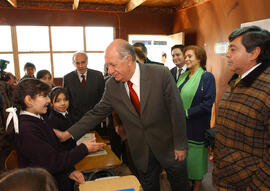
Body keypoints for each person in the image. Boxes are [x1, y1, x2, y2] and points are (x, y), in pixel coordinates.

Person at [54, 39, 189, 191]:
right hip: (140, 150)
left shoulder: (160, 74)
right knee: (148, 186)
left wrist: (180, 145)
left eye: (113, 65)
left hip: (170, 147)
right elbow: (96, 113)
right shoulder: (112, 85)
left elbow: (176, 111)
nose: (109, 71)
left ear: (129, 60)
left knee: (180, 185)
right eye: (107, 66)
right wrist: (67, 134)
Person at [6, 79, 105, 191]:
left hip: (55, 176)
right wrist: (84, 148)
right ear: (29, 100)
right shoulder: (27, 129)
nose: (49, 100)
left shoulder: (38, 119)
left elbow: (53, 151)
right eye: (44, 96)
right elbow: (52, 162)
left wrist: (69, 171)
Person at [213, 26, 270, 190]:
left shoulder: (266, 86)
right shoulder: (238, 79)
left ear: (254, 53)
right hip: (227, 177)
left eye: (233, 49)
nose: (227, 54)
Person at [177, 45, 216, 191]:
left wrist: (186, 113)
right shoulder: (183, 76)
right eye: (185, 56)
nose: (185, 59)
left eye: (189, 56)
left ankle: (198, 186)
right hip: (181, 125)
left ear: (199, 58)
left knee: (196, 159)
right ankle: (188, 183)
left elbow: (207, 103)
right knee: (184, 157)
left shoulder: (207, 77)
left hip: (197, 125)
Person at [63, 51, 105, 124]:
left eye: (83, 62)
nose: (80, 66)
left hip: (95, 117)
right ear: (73, 63)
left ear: (87, 62)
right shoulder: (67, 78)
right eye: (77, 63)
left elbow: (103, 97)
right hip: (75, 119)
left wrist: (102, 115)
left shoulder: (98, 75)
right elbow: (66, 99)